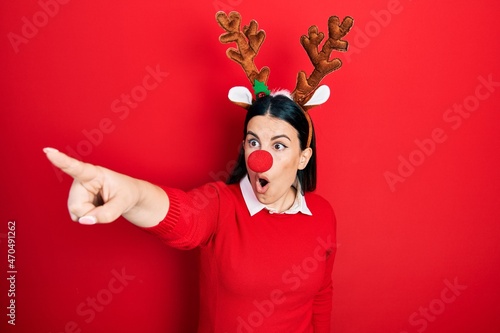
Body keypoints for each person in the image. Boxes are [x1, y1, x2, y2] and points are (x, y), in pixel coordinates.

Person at [45, 11, 353, 333]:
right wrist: (131, 192)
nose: (259, 157)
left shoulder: (322, 214)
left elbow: (320, 295)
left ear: (303, 158)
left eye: (278, 146)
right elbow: (183, 218)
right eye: (253, 141)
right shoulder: (220, 205)